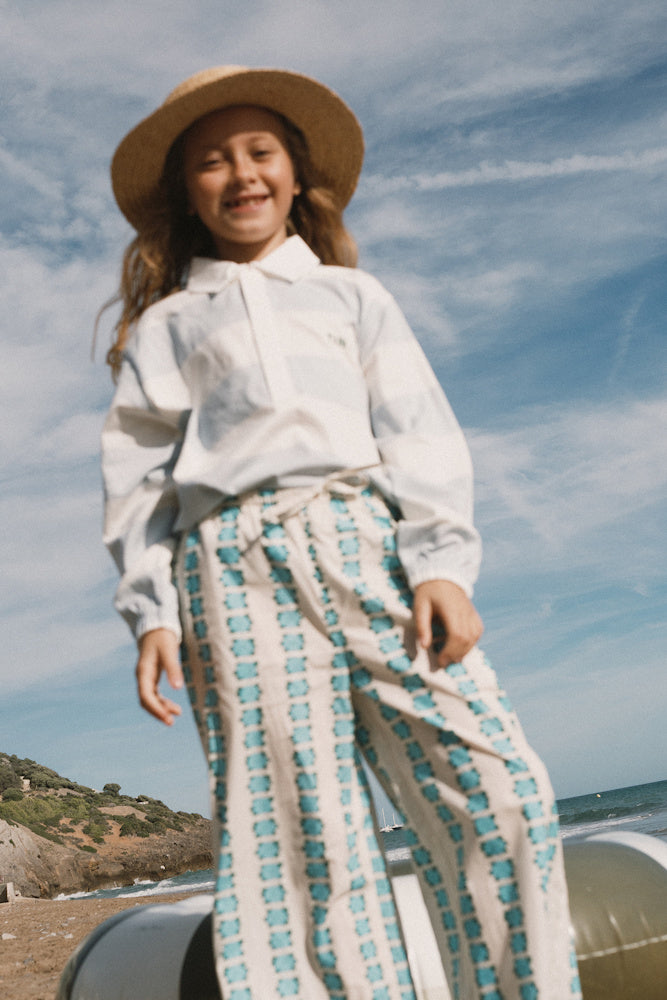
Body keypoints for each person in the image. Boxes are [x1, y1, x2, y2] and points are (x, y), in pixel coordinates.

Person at [101, 65, 581, 1000]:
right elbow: (136, 480)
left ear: (293, 173)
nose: (239, 172)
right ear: (184, 191)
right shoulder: (164, 327)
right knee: (301, 841)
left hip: (370, 545)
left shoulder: (352, 299)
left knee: (499, 795)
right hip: (228, 570)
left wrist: (441, 562)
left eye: (259, 151)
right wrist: (151, 610)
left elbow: (419, 429)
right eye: (211, 159)